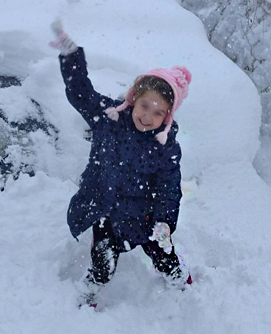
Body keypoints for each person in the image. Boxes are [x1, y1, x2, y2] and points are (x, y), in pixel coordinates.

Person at [51, 20, 193, 306]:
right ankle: (88, 293)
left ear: (166, 117)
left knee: (165, 257)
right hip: (107, 212)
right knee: (102, 265)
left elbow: (169, 186)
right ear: (133, 98)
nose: (147, 117)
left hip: (146, 218)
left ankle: (181, 281)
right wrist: (71, 56)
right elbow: (81, 94)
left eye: (158, 112)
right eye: (144, 106)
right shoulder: (109, 118)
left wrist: (164, 222)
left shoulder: (165, 147)